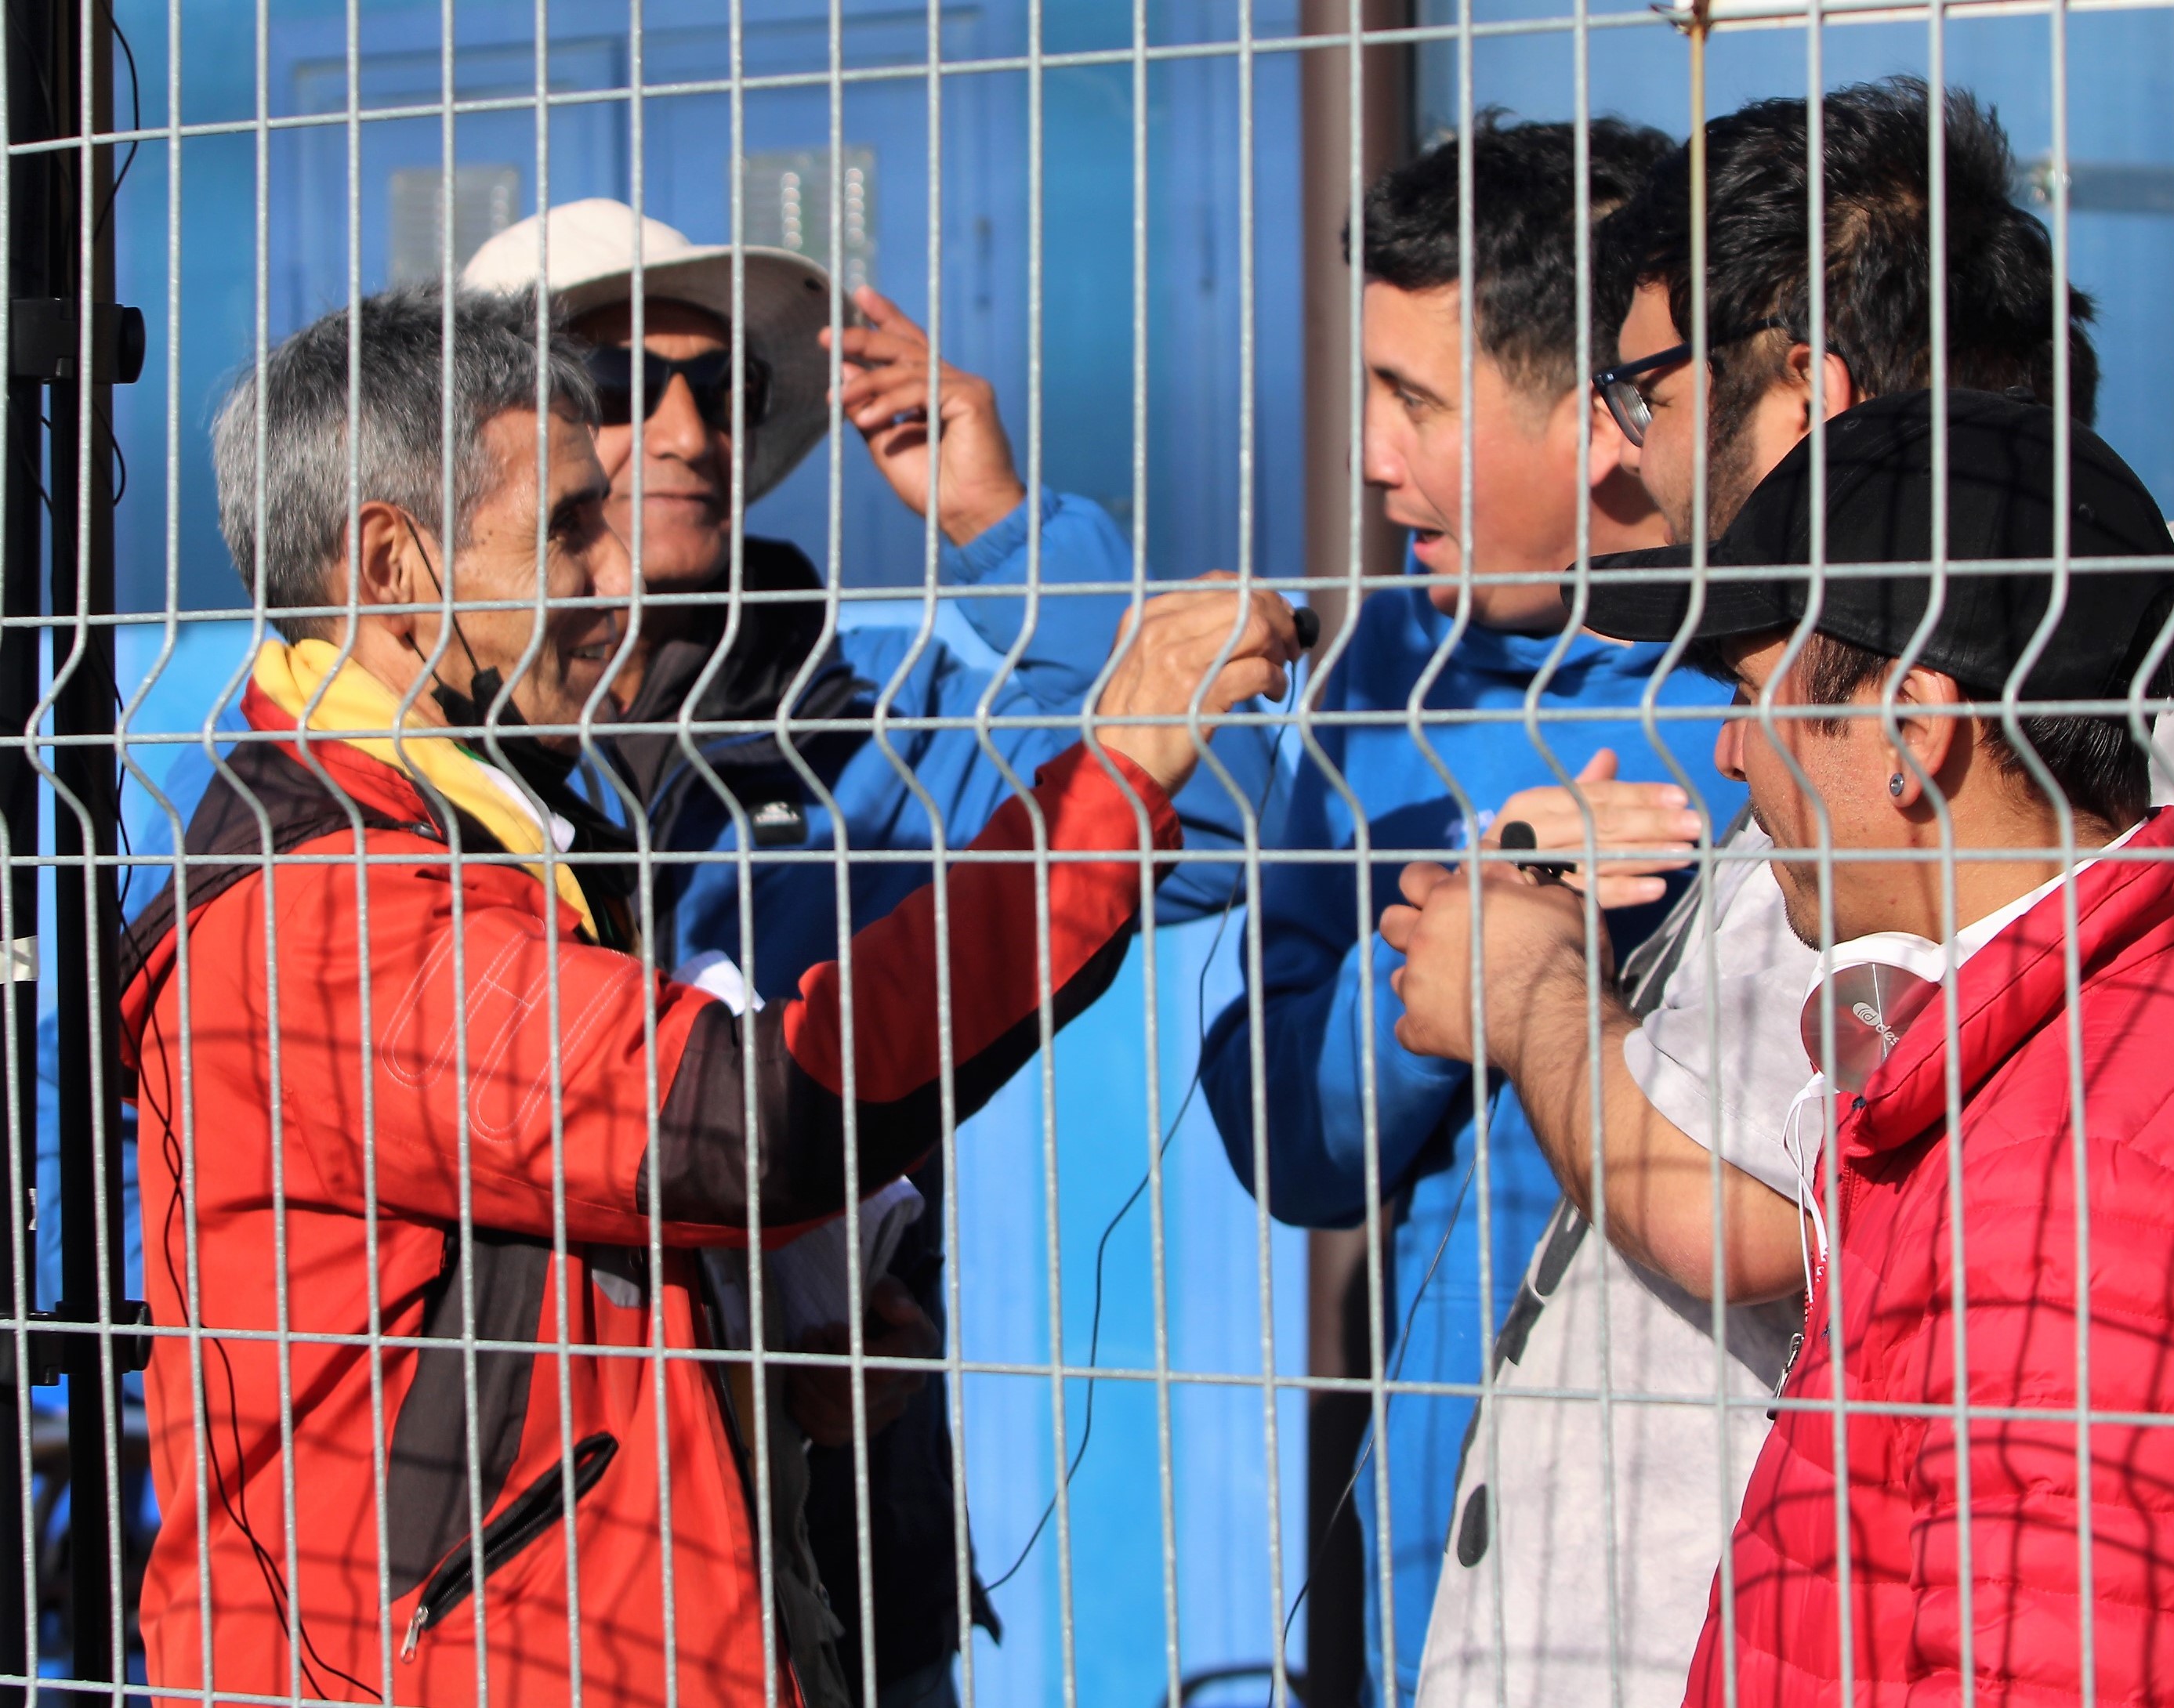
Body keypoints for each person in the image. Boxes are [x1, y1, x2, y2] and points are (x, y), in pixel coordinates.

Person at [121, 282, 1299, 1706]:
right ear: (395, 564)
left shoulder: (510, 805)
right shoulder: (333, 901)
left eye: (727, 389)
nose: (618, 569)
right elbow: (740, 1122)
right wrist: (1107, 778)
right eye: (570, 523)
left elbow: (542, 1246)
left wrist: (753, 1340)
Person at [1403, 80, 2174, 1705]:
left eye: (1645, 388)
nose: (1618, 446)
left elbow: (1826, 1214)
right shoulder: (1869, 650)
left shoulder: (2093, 672)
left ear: (1807, 389)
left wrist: (1531, 996)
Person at [459, 201, 1288, 1706]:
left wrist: (1002, 531)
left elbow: (1219, 825)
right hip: (514, 1568)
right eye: (628, 383)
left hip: (836, 1558)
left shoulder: (866, 738)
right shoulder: (404, 773)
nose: (693, 432)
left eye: (726, 389)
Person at [1195, 114, 1728, 1703]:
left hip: (1722, 1550)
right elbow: (1284, 1134)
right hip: (1439, 1553)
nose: (1373, 455)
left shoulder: (1796, 690)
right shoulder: (1386, 673)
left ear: (1605, 414)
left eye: (1415, 400)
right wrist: (1453, 959)